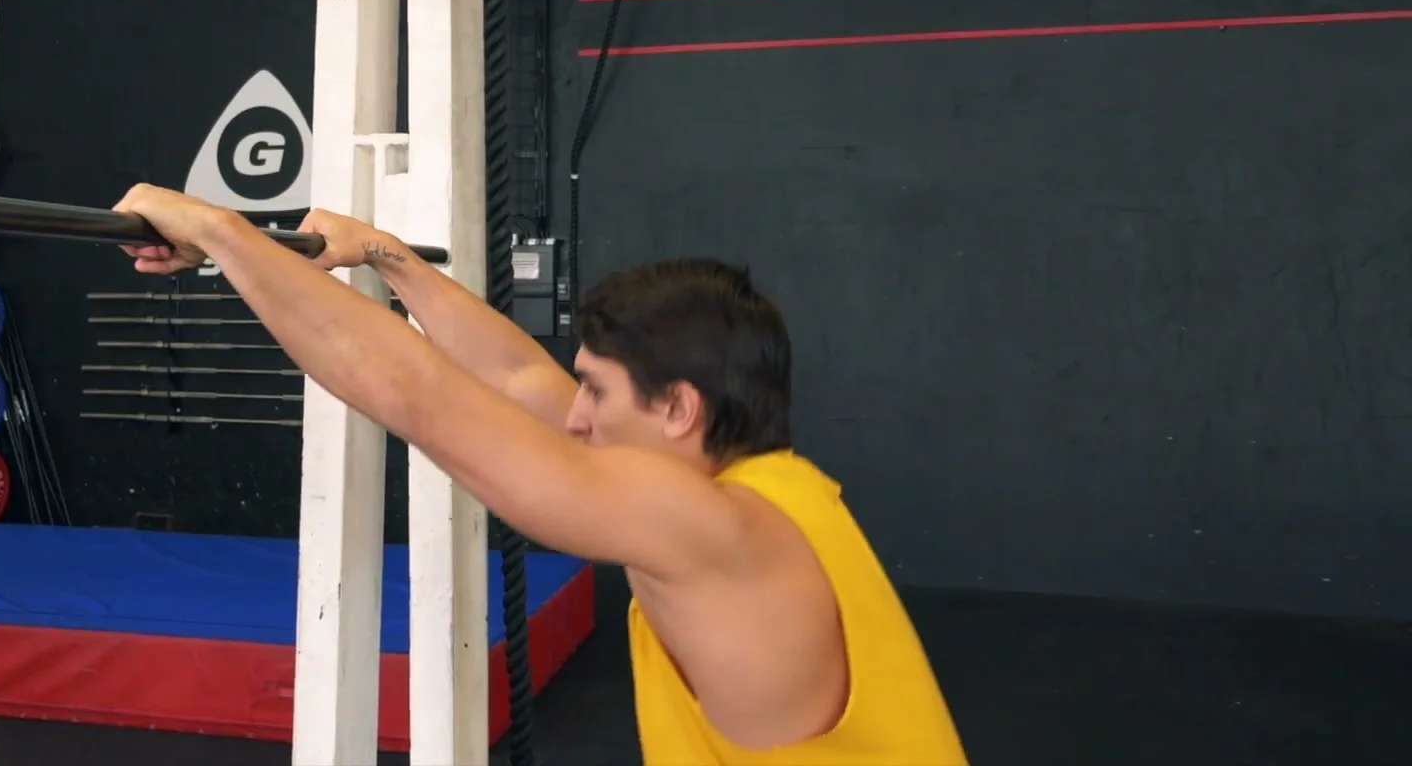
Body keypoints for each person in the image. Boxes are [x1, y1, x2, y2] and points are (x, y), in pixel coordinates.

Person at [114, 184, 967, 766]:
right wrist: (383, 255)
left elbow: (418, 397)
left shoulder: (709, 527)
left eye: (597, 390)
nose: (577, 416)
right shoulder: (774, 493)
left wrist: (222, 234)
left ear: (679, 408)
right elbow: (520, 383)